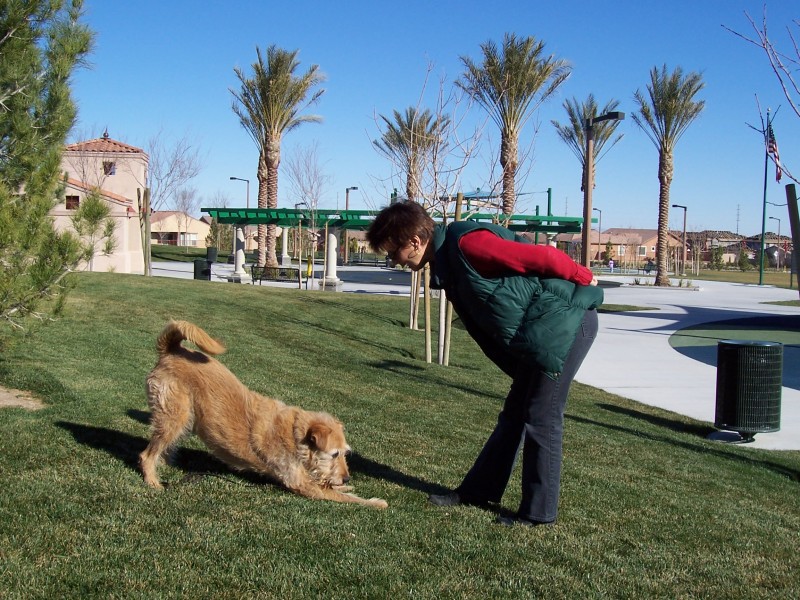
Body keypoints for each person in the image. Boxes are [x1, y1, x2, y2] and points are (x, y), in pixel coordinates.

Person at [366, 201, 602, 527]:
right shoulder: (447, 259)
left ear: (415, 241)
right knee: (514, 414)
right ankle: (478, 492)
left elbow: (544, 257)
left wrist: (583, 276)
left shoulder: (468, 243)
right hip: (542, 331)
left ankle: (538, 514)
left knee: (541, 415)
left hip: (565, 327)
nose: (395, 261)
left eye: (394, 252)